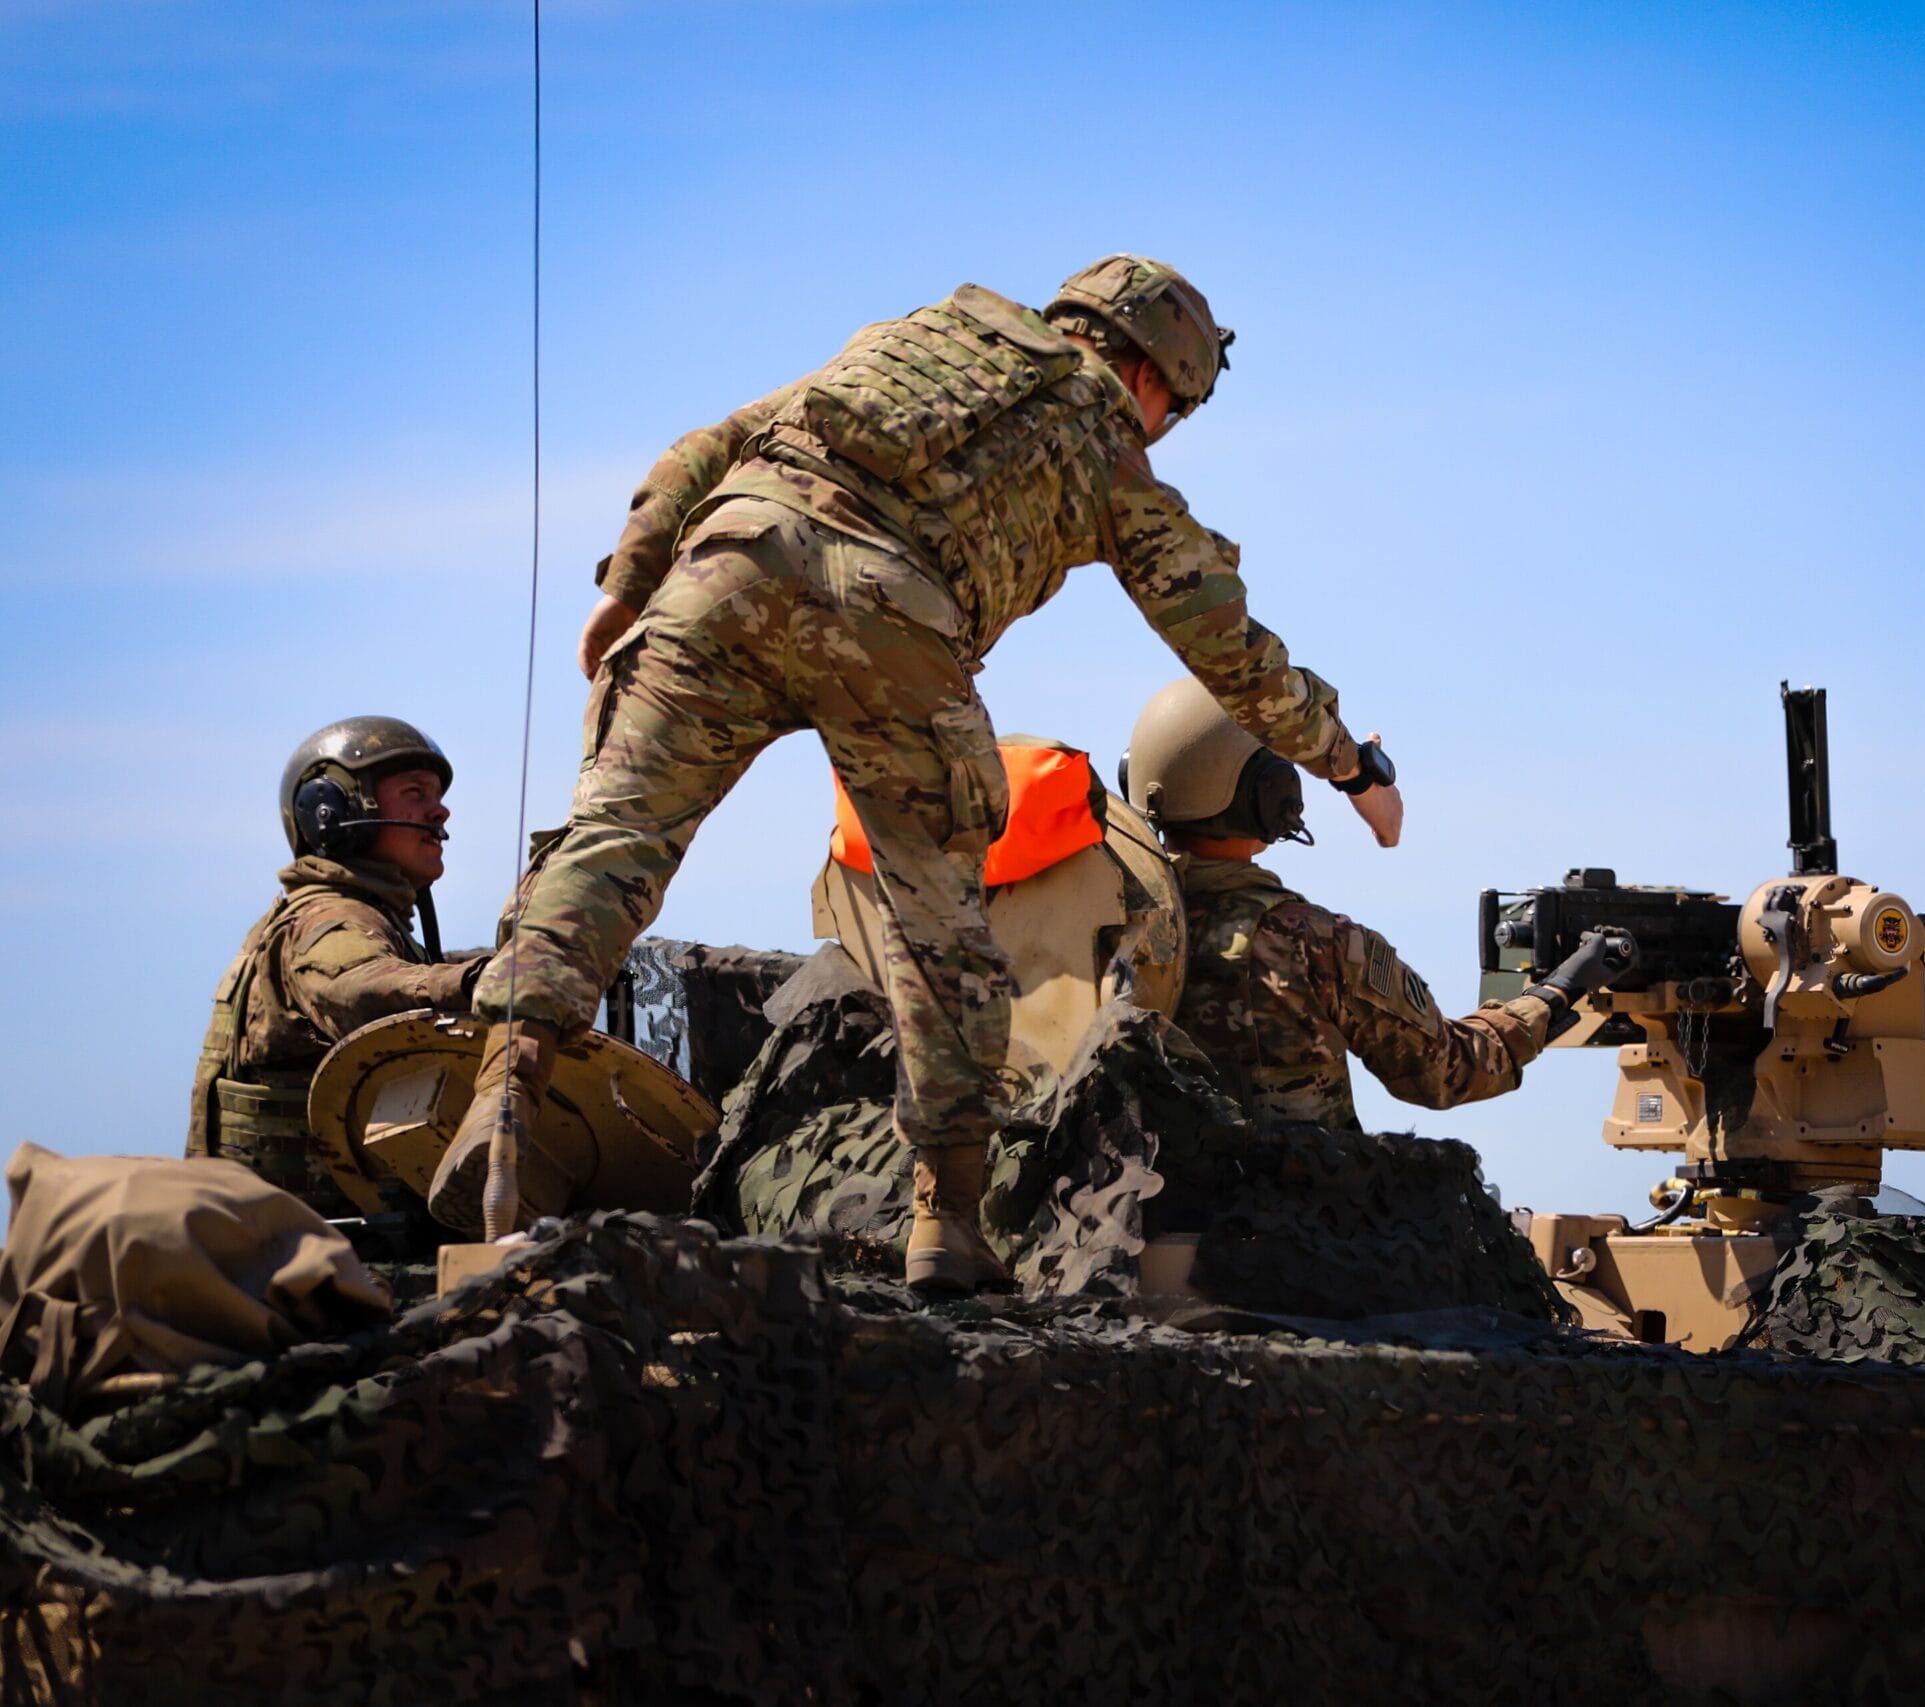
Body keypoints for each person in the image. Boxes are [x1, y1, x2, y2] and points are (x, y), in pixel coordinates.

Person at [438, 256, 1400, 1296]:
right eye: (1178, 407)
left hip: (724, 563)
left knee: (609, 847)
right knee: (937, 925)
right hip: (888, 619)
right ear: (1156, 372)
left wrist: (631, 581)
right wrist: (1351, 765)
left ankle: (499, 1132)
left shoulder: (912, 339)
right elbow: (1228, 649)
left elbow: (708, 445)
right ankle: (947, 1224)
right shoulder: (1107, 448)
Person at [1123, 677, 1628, 1130]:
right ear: (1270, 794)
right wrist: (1559, 990)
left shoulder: (1115, 921)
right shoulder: (1308, 941)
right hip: (1285, 1222)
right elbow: (1449, 1070)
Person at [189, 718, 484, 1217]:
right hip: (296, 1253)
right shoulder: (327, 919)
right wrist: (480, 984)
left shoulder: (362, 917)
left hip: (305, 1238)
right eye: (414, 793)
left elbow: (415, 967)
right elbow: (358, 987)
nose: (440, 810)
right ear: (334, 811)